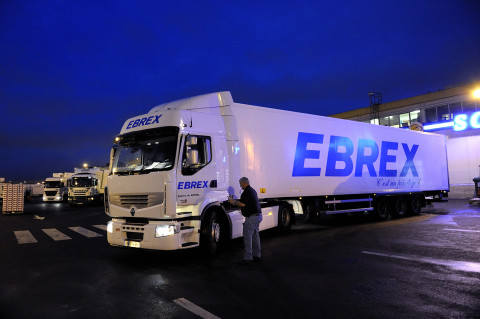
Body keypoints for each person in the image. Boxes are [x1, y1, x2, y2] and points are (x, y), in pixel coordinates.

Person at [229, 177, 262, 265]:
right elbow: (244, 202)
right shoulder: (252, 190)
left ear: (244, 183)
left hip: (252, 217)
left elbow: (243, 204)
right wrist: (236, 201)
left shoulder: (247, 191)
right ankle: (257, 255)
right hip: (257, 216)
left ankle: (248, 258)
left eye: (240, 184)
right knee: (255, 236)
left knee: (247, 237)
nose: (240, 186)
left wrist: (233, 202)